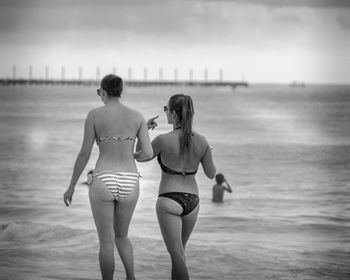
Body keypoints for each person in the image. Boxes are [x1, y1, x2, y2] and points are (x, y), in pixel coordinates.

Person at [63, 74, 153, 280]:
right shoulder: (138, 117)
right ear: (121, 91)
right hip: (130, 180)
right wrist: (130, 154)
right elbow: (147, 154)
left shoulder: (94, 115)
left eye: (99, 92)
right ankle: (131, 277)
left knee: (106, 241)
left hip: (103, 178)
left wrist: (72, 186)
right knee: (122, 236)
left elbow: (84, 153)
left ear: (102, 91)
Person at [137, 94, 216, 280]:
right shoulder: (202, 140)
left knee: (177, 256)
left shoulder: (163, 140)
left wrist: (144, 132)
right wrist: (206, 152)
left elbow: (139, 156)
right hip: (193, 203)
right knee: (179, 255)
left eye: (166, 109)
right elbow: (211, 174)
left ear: (173, 113)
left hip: (169, 200)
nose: (165, 113)